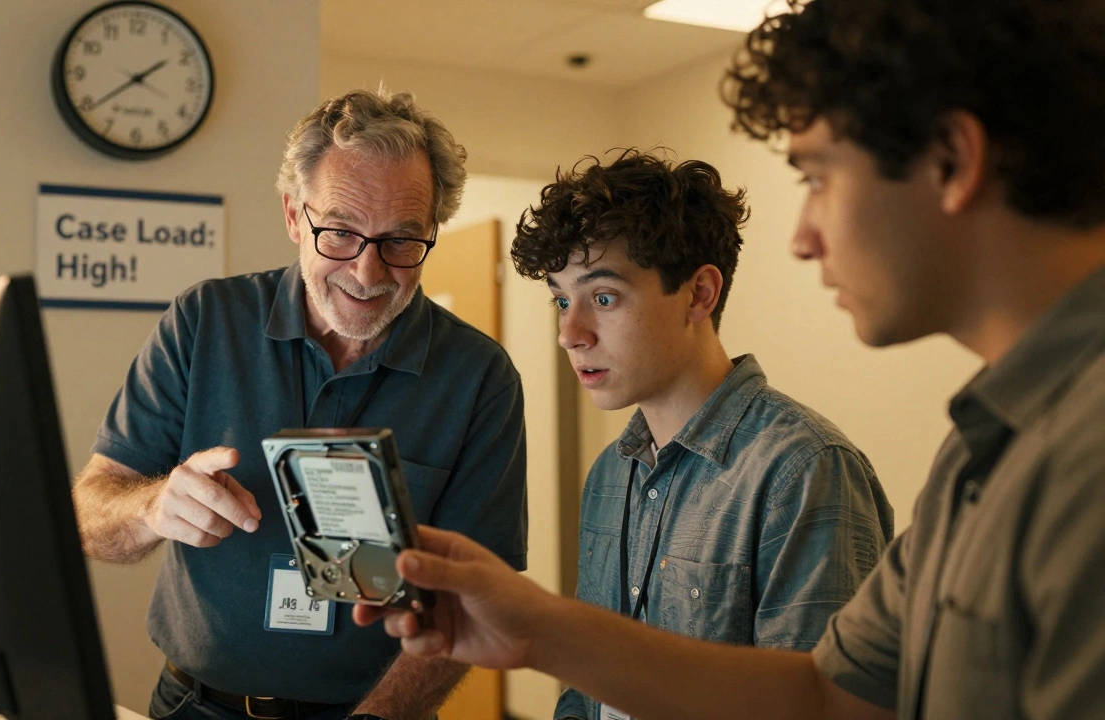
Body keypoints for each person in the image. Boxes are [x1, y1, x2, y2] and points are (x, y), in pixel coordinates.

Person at [355, 0, 1105, 718]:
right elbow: (830, 699)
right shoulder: (977, 456)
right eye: (561, 300)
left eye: (817, 177)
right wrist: (540, 631)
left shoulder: (1069, 455)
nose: (803, 237)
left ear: (952, 159)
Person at [73, 88, 528, 720]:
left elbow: (480, 600)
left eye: (401, 241)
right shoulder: (205, 321)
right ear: (293, 215)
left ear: (432, 232)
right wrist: (154, 507)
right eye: (340, 232)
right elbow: (89, 515)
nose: (368, 274)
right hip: (192, 705)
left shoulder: (479, 377)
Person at [508, 149, 893, 720]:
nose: (570, 332)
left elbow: (829, 709)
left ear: (699, 294)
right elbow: (587, 693)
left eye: (603, 297)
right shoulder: (611, 476)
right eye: (562, 300)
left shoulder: (802, 470)